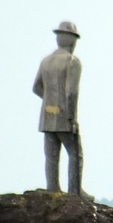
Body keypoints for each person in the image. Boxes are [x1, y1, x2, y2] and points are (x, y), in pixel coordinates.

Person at [33, 20, 84, 193]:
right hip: (64, 116)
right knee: (75, 154)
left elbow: (36, 88)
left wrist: (50, 102)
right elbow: (71, 93)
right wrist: (72, 117)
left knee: (51, 156)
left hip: (47, 115)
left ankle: (53, 188)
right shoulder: (72, 61)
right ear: (70, 40)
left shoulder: (46, 61)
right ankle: (75, 191)